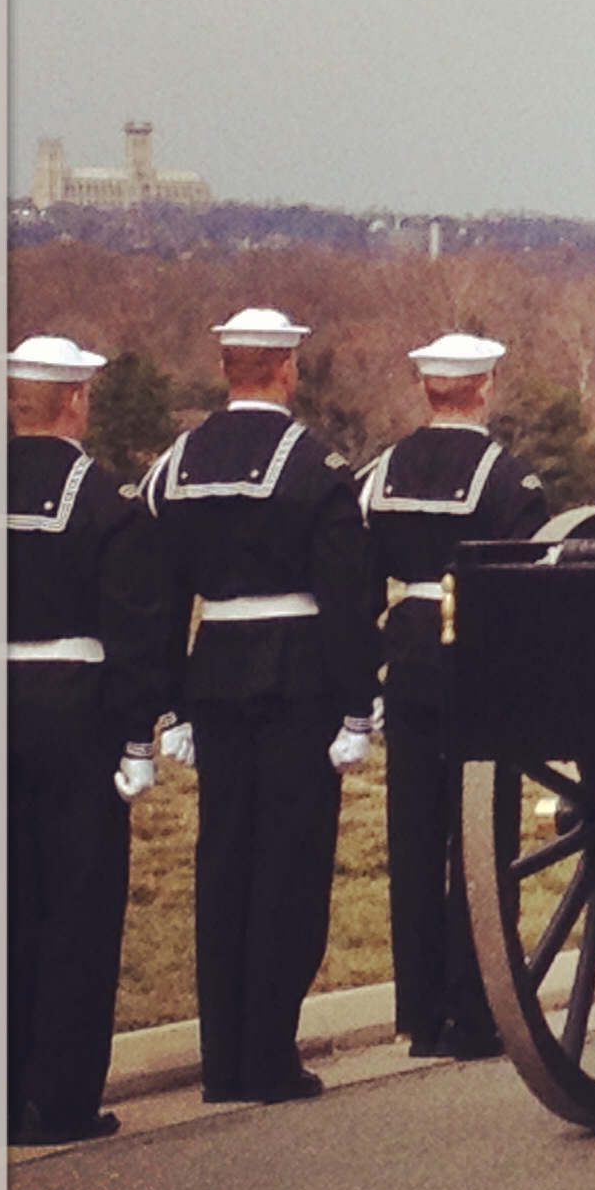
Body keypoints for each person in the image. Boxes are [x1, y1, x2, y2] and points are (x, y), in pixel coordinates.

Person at [142, 307, 377, 1106]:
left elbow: (161, 593)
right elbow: (346, 595)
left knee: (223, 862)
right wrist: (357, 704)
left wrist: (171, 703)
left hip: (215, 672)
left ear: (225, 370)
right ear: (286, 370)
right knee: (289, 865)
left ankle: (224, 1061)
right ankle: (269, 1055)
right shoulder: (315, 464)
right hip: (298, 677)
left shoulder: (176, 464)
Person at [358, 331, 548, 1059]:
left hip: (407, 654)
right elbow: (523, 591)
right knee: (482, 842)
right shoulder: (509, 479)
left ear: (425, 389)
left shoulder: (381, 473)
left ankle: (420, 1013)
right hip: (477, 660)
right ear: (485, 387)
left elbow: (355, 578)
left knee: (413, 839)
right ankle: (475, 1007)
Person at [0, 335, 170, 1145]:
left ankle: (2, 1091)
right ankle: (60, 1099)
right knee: (78, 906)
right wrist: (137, 736)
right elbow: (133, 627)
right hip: (74, 713)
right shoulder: (104, 498)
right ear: (74, 401)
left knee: (5, 903)